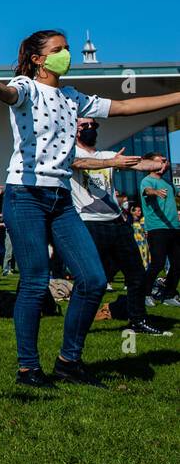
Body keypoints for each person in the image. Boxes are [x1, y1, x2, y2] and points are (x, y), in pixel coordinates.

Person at [0, 29, 180, 387]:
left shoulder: (71, 96)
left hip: (61, 198)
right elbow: (8, 94)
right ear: (38, 59)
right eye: (59, 49)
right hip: (26, 194)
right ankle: (28, 369)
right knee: (35, 282)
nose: (67, 54)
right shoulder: (26, 86)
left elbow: (125, 107)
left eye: (67, 48)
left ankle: (69, 361)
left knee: (94, 279)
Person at [70, 119, 170, 335]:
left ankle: (137, 320)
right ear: (75, 130)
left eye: (94, 125)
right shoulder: (69, 153)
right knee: (93, 279)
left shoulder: (108, 155)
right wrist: (114, 163)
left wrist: (156, 164)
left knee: (136, 275)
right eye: (85, 125)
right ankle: (78, 322)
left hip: (117, 222)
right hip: (90, 223)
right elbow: (80, 164)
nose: (91, 129)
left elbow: (138, 164)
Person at [138, 153, 180, 308]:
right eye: (160, 161)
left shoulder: (168, 183)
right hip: (157, 229)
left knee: (177, 264)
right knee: (158, 264)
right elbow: (148, 191)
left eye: (165, 161)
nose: (164, 164)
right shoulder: (147, 181)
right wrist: (156, 192)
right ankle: (145, 293)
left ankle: (168, 294)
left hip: (174, 228)